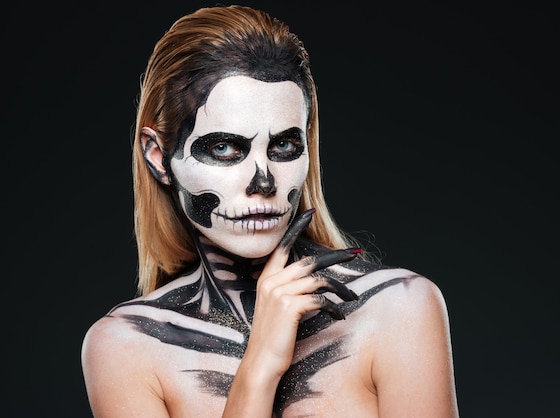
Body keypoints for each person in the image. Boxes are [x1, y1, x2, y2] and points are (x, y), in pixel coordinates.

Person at [81, 4, 459, 417]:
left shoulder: (397, 309)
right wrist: (260, 365)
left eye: (283, 146)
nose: (263, 182)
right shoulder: (128, 345)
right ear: (158, 157)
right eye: (225, 148)